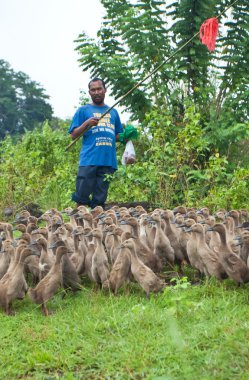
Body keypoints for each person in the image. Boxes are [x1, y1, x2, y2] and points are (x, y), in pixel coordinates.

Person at [68, 77, 123, 209]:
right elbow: (73, 135)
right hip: (89, 160)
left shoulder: (113, 112)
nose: (97, 92)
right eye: (93, 90)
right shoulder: (83, 111)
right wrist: (87, 124)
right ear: (90, 93)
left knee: (99, 202)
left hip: (108, 161)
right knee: (81, 198)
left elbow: (116, 135)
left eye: (99, 89)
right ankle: (77, 226)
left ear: (105, 90)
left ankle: (96, 227)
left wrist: (127, 136)